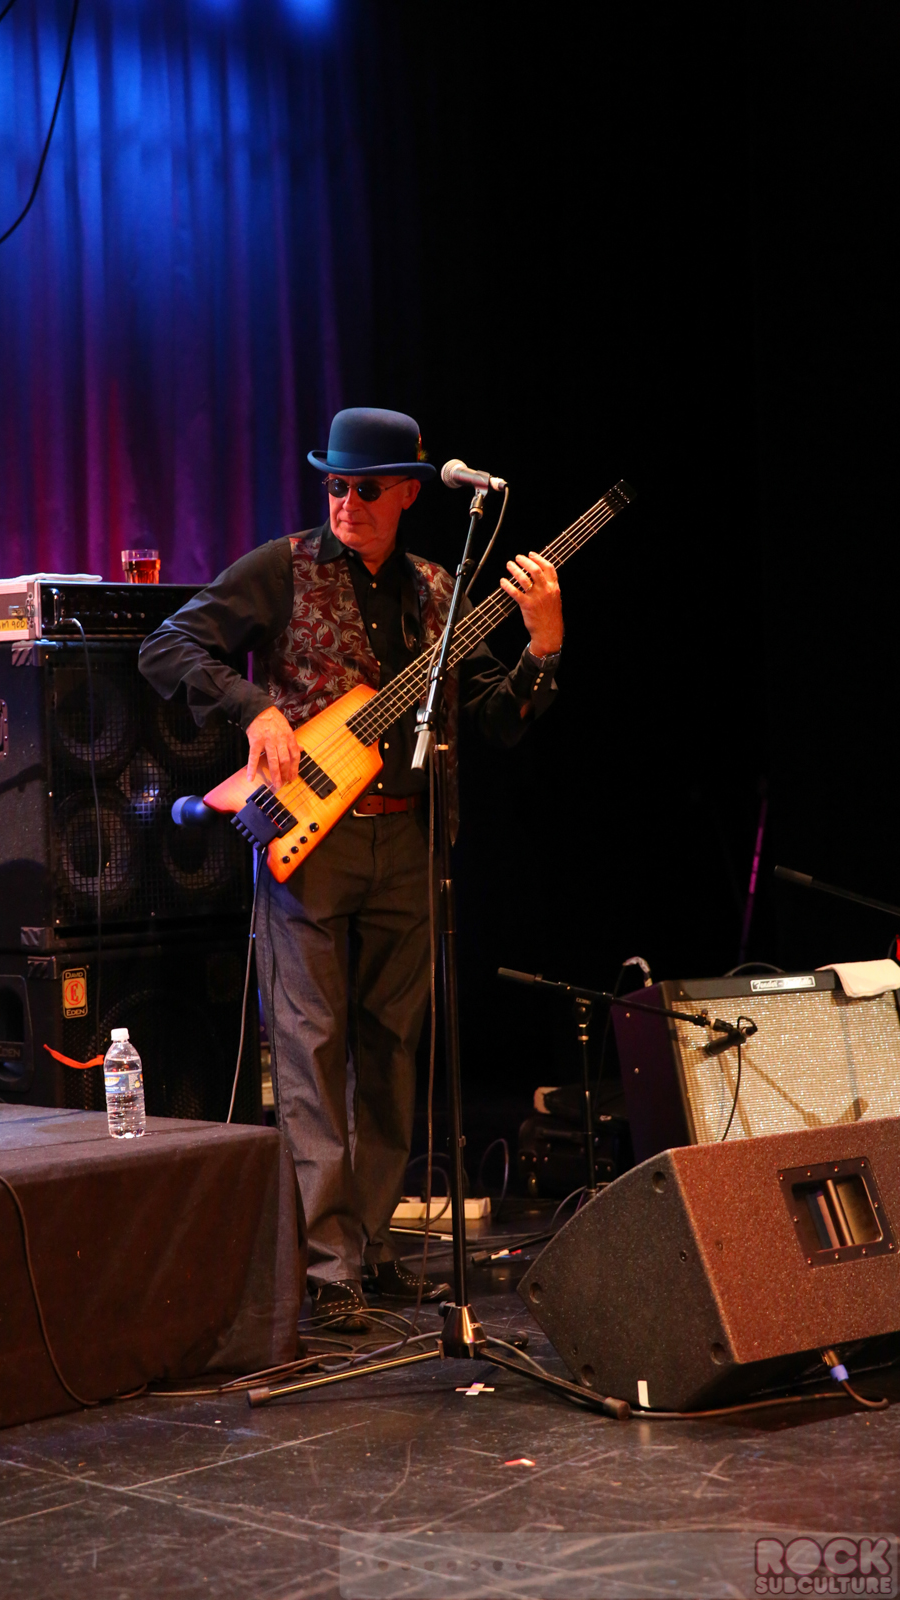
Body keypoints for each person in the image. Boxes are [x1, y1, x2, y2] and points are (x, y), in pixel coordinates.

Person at [139, 408, 563, 1329]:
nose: (344, 502)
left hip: (410, 842)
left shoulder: (438, 589)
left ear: (408, 492)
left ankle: (368, 1248)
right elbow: (167, 644)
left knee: (391, 1053)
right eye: (333, 484)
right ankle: (326, 1268)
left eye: (364, 488)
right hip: (312, 843)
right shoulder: (282, 568)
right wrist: (254, 708)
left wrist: (541, 648)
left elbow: (494, 720)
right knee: (309, 1049)